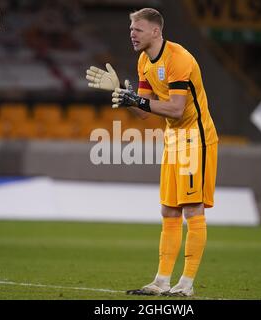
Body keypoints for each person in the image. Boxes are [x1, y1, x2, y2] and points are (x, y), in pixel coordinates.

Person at [86, 7, 218, 297]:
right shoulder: (144, 60)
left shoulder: (179, 59)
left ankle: (186, 285)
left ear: (156, 31)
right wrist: (122, 93)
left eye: (138, 29)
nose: (132, 34)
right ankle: (161, 281)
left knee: (192, 209)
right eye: (131, 29)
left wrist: (136, 100)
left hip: (196, 138)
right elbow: (145, 111)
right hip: (173, 137)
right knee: (169, 210)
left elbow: (175, 107)